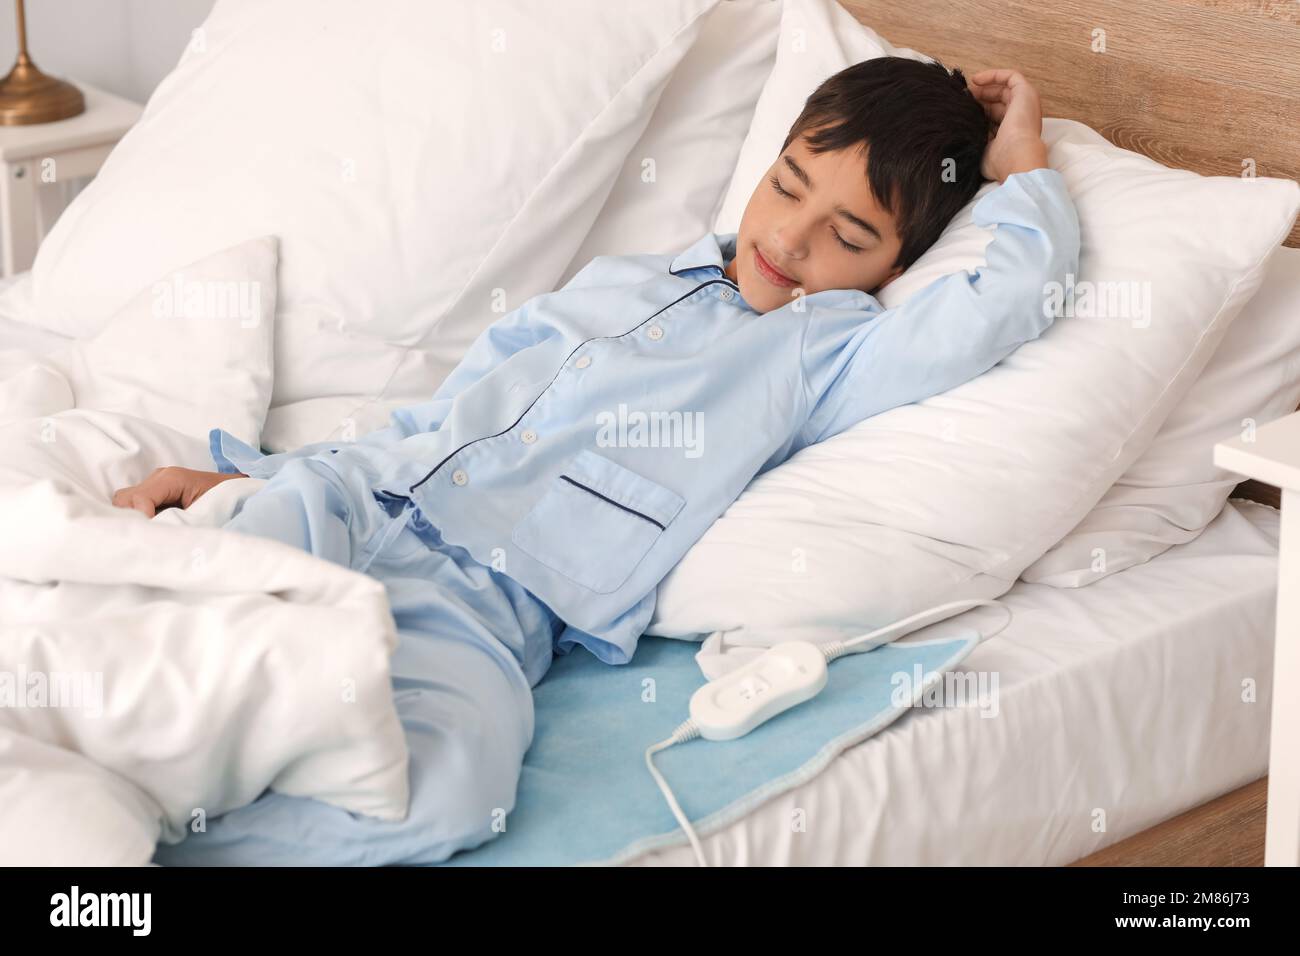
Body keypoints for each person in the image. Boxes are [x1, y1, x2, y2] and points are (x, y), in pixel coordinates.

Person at [121, 60, 1079, 865]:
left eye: (851, 235)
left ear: (897, 267)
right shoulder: (629, 279)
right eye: (788, 185)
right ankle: (102, 783)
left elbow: (1006, 300)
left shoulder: (828, 355)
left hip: (488, 615)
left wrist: (1021, 166)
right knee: (169, 645)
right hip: (350, 501)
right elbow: (447, 413)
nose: (790, 238)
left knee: (454, 796)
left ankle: (161, 844)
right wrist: (255, 479)